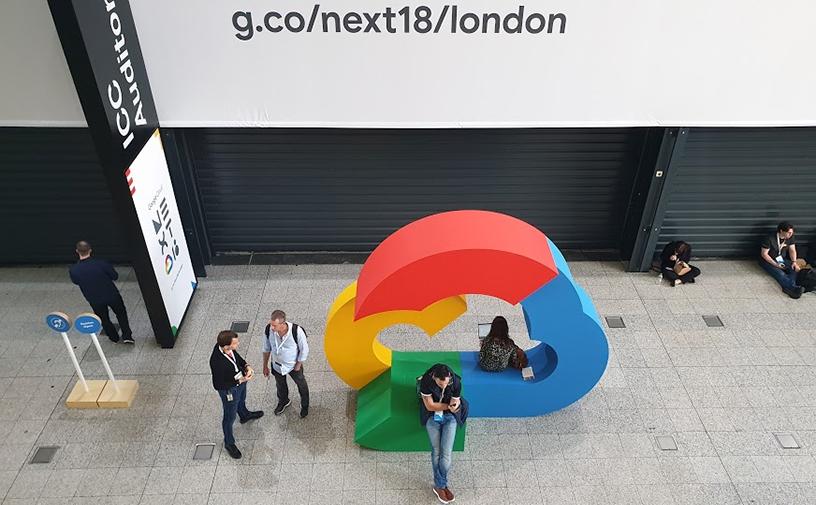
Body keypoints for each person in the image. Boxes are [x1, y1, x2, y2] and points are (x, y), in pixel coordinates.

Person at [209, 330, 264, 459]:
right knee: (229, 416)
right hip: (230, 389)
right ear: (227, 345)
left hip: (240, 382)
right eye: (235, 343)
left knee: (241, 401)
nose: (238, 344)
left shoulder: (226, 349)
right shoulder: (217, 361)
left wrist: (246, 366)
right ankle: (229, 443)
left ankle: (244, 415)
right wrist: (239, 380)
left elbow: (236, 357)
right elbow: (218, 384)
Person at [419, 363, 468, 504]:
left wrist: (453, 406)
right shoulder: (426, 381)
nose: (444, 387)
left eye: (446, 384)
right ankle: (442, 486)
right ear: (434, 378)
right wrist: (448, 406)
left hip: (449, 418)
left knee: (446, 453)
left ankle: (440, 485)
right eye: (441, 385)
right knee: (436, 451)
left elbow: (455, 403)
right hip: (431, 416)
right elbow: (430, 406)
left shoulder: (455, 381)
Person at [68, 240, 133, 343]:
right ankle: (127, 336)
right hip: (112, 295)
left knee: (103, 318)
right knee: (121, 313)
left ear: (77, 251)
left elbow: (76, 282)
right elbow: (115, 276)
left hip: (94, 299)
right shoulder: (101, 263)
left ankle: (113, 337)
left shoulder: (74, 270)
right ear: (90, 250)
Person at [262, 309, 310, 418]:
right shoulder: (268, 330)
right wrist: (265, 365)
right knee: (280, 385)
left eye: (275, 325)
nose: (272, 327)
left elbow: (304, 350)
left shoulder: (296, 331)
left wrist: (298, 366)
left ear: (283, 324)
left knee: (302, 385)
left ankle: (305, 406)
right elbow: (266, 348)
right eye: (271, 324)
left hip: (293, 366)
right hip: (277, 364)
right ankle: (283, 401)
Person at [760, 222, 804, 299]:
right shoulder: (769, 238)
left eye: (791, 233)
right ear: (781, 231)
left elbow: (792, 250)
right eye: (789, 233)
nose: (790, 235)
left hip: (781, 259)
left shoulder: (790, 237)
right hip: (768, 260)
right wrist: (775, 265)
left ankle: (789, 287)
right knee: (780, 274)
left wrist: (794, 262)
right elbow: (764, 254)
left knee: (795, 269)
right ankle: (793, 288)